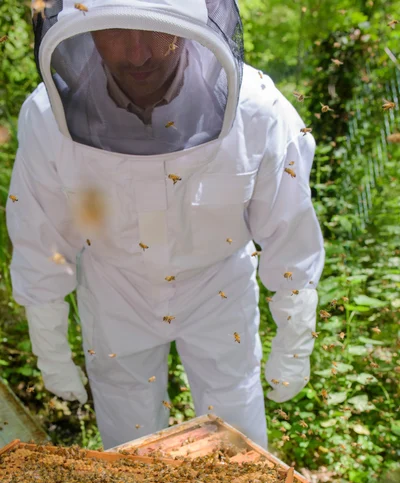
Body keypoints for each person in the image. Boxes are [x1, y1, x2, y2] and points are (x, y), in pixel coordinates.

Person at [6, 0, 325, 450]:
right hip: (115, 290)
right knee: (130, 448)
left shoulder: (258, 111)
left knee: (235, 446)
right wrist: (51, 347)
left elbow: (289, 227)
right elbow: (41, 233)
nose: (137, 53)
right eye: (116, 29)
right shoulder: (48, 116)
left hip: (219, 290)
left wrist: (296, 330)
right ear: (85, 28)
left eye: (155, 30)